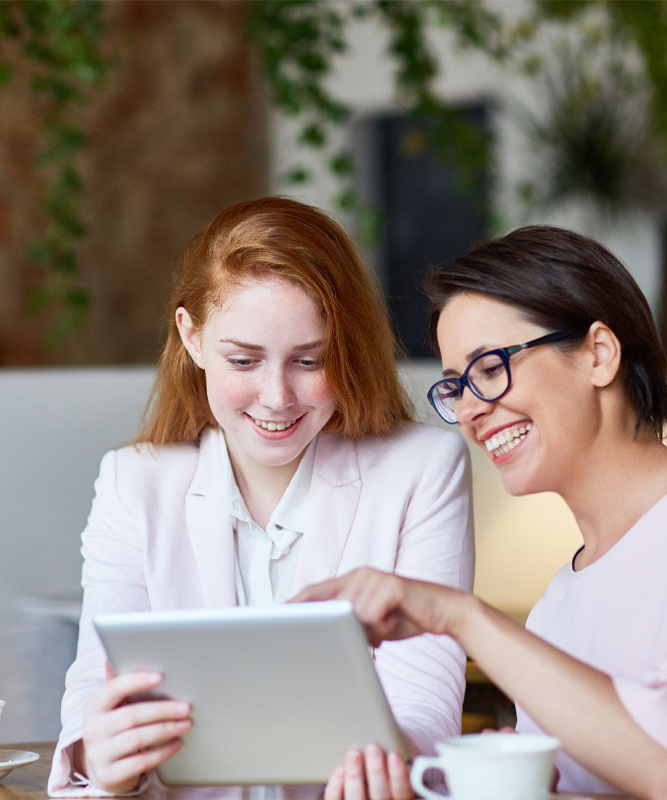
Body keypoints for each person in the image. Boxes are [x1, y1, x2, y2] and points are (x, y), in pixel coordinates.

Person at [295, 225, 667, 799]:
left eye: (491, 369)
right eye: (456, 387)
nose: (472, 409)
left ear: (599, 354)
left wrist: (460, 616)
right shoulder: (557, 605)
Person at [49, 197, 475, 799]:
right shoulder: (132, 482)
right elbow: (97, 688)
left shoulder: (422, 469)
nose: (276, 397)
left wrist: (392, 762)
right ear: (192, 338)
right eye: (243, 360)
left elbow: (426, 709)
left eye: (310, 360)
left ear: (347, 347)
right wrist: (104, 757)